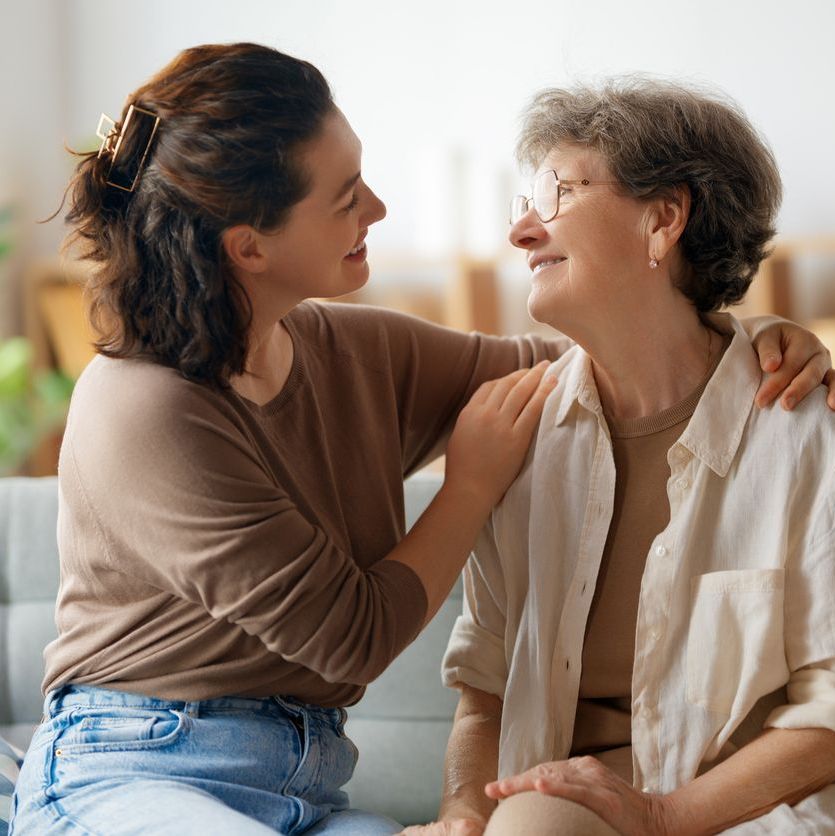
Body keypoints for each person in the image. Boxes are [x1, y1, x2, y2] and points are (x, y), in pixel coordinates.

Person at [8, 45, 832, 835]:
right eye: (346, 196)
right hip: (141, 762)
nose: (377, 209)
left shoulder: (359, 351)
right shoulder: (141, 408)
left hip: (305, 780)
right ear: (250, 246)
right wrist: (468, 487)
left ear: (664, 222)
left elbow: (619, 364)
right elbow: (354, 638)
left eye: (555, 197)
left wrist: (762, 336)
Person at [416, 79, 835, 836]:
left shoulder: (806, 430)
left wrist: (662, 815)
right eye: (523, 204)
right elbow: (482, 692)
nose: (520, 233)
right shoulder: (519, 434)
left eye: (558, 195)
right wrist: (456, 816)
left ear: (663, 219)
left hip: (754, 815)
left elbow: (829, 708)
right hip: (557, 810)